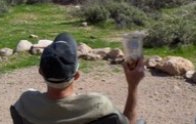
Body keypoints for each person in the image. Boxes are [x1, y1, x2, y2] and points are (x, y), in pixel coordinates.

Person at [12, 32, 145, 124]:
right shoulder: (98, 106)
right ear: (76, 75)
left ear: (41, 72)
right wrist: (133, 85)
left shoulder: (25, 103)